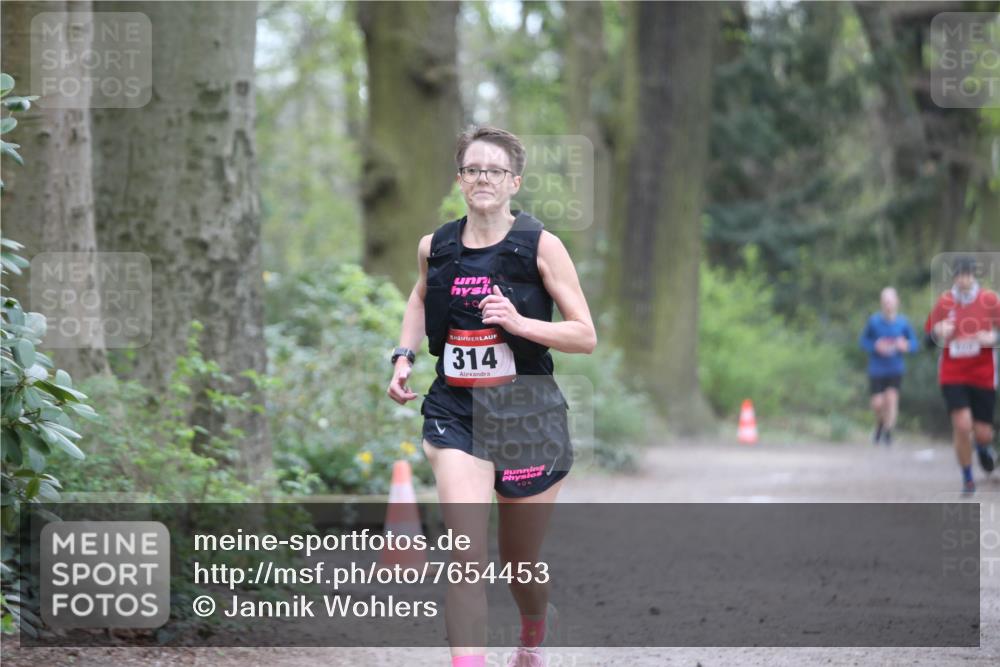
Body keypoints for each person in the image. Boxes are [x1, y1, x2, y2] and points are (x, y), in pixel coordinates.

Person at [386, 126, 597, 667]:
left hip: (527, 415)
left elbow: (584, 335)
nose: (483, 178)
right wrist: (404, 356)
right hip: (455, 412)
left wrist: (521, 323)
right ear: (460, 179)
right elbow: (418, 298)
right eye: (473, 169)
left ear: (514, 183)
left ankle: (531, 632)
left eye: (495, 171)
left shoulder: (541, 246)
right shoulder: (437, 246)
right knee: (466, 554)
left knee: (518, 565)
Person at [925, 257, 1000, 494]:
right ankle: (968, 478)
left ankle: (984, 447)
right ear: (955, 276)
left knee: (983, 431)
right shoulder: (945, 302)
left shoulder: (990, 300)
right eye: (960, 274)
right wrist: (938, 332)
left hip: (983, 374)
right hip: (953, 373)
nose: (964, 279)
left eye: (968, 274)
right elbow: (927, 339)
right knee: (961, 424)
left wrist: (993, 339)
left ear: (974, 276)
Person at [858, 287, 919, 445]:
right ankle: (880, 424)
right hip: (877, 368)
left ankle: (888, 432)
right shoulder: (874, 322)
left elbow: (914, 344)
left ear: (896, 302)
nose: (888, 305)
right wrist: (875, 346)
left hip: (895, 368)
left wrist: (905, 346)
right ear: (881, 303)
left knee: (891, 399)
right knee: (878, 403)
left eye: (890, 301)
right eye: (885, 302)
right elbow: (863, 341)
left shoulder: (903, 323)